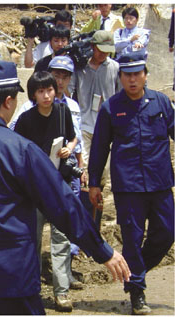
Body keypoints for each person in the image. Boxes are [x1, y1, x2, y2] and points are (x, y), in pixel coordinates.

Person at [0, 60, 130, 315]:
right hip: (11, 282)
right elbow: (63, 205)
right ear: (8, 101)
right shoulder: (20, 150)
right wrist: (102, 251)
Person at [88, 51, 174, 315]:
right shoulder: (111, 108)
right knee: (132, 239)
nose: (133, 80)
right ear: (121, 77)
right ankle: (137, 289)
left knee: (167, 232)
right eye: (128, 75)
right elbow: (100, 148)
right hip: (128, 187)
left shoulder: (161, 103)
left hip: (159, 184)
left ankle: (134, 271)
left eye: (138, 74)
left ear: (145, 75)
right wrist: (94, 183)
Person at [14, 71, 78, 312]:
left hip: (59, 184)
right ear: (33, 95)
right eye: (40, 91)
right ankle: (32, 290)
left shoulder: (63, 113)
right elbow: (16, 151)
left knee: (61, 239)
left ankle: (61, 292)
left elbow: (72, 138)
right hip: (35, 189)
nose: (46, 95)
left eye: (49, 90)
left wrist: (68, 150)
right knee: (33, 239)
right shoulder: (26, 120)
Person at [68, 30, 121, 227]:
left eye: (107, 51)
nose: (103, 54)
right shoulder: (80, 67)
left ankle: (95, 223)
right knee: (84, 174)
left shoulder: (114, 68)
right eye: (100, 50)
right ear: (92, 47)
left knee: (103, 176)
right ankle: (84, 225)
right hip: (84, 127)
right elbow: (68, 89)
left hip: (107, 128)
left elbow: (119, 94)